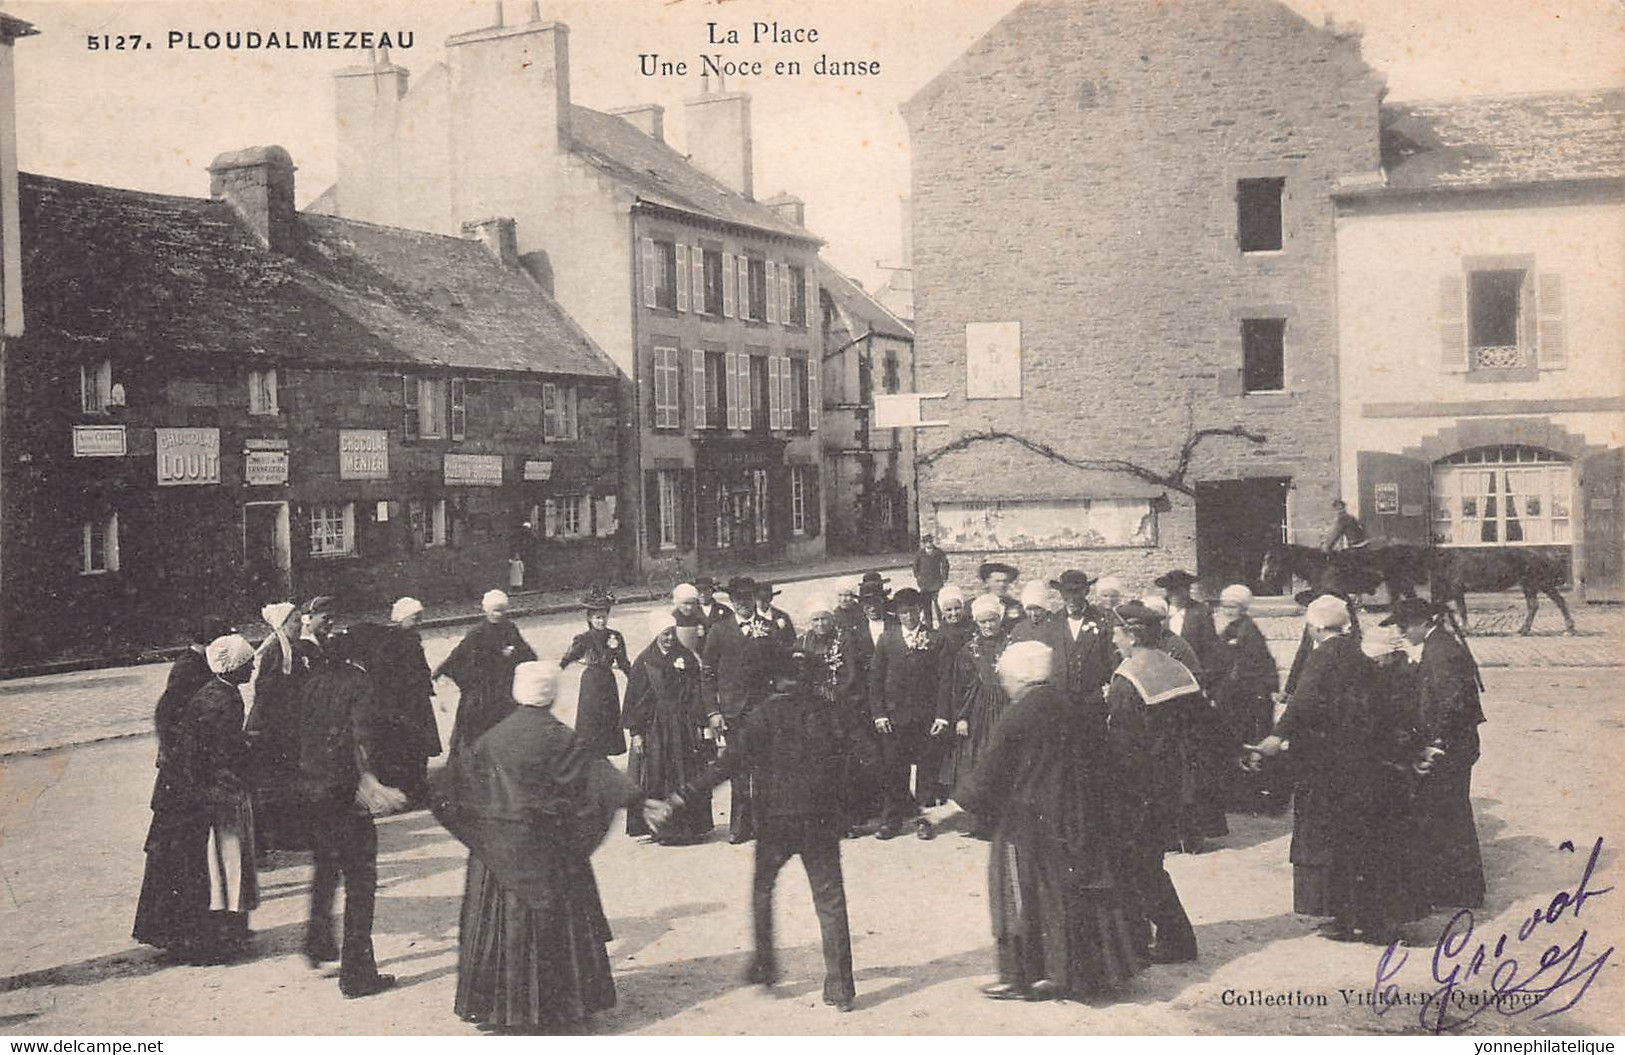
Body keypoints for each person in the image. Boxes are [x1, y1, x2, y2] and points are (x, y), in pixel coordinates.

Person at [435, 663, 670, 1033]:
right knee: (559, 929)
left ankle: (503, 1008)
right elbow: (600, 775)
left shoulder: (491, 739)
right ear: (553, 695)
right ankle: (562, 1005)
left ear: (517, 692)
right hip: (551, 855)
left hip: (498, 858)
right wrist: (641, 801)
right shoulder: (561, 737)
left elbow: (448, 788)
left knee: (505, 931)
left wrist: (483, 833)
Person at [927, 641, 1144, 1000]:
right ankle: (1074, 975)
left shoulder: (1019, 712)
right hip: (1073, 815)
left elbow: (989, 773)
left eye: (1005, 677)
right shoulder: (1067, 702)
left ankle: (1020, 977)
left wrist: (947, 811)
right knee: (1067, 894)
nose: (1003, 684)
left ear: (1020, 676)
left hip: (1027, 819)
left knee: (1013, 893)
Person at [669, 650, 857, 1012]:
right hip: (819, 820)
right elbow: (853, 759)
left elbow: (727, 764)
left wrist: (684, 795)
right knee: (830, 900)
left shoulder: (761, 717)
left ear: (773, 680)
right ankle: (842, 988)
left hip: (776, 822)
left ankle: (767, 968)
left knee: (762, 890)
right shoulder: (826, 712)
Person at [1245, 596, 1421, 943]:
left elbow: (1304, 702)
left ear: (1313, 627)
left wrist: (1277, 737)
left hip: (1329, 769)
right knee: (1362, 845)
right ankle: (1366, 921)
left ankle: (1350, 920)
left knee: (1334, 846)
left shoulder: (1322, 655)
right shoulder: (1357, 652)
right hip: (1364, 765)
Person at [300, 629, 408, 997]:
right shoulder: (359, 682)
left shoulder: (314, 681)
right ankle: (357, 974)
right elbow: (362, 737)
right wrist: (371, 782)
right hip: (349, 795)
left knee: (327, 870)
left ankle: (317, 945)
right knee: (361, 884)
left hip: (315, 793)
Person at [133, 615, 235, 960]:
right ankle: (176, 933)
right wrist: (184, 757)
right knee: (176, 859)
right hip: (182, 780)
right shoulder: (189, 669)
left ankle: (181, 930)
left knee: (182, 859)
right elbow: (166, 718)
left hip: (184, 779)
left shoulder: (198, 665)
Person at [1103, 605, 1200, 963]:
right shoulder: (1176, 668)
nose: (1113, 637)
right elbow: (1202, 725)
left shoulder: (1128, 679)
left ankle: (1169, 939)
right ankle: (1150, 935)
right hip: (1171, 783)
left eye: (1117, 631)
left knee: (1136, 864)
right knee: (1148, 861)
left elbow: (1122, 746)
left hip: (1136, 789)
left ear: (1131, 635)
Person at [1380, 597, 1487, 910]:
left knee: (1449, 815)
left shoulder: (1440, 651)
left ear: (1422, 623)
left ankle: (1462, 890)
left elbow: (1449, 703)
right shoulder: (1438, 644)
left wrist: (1436, 743)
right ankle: (1455, 888)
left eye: (1404, 625)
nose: (1401, 631)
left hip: (1450, 746)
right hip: (1455, 744)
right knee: (1448, 815)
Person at [701, 576, 780, 844]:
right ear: (731, 602)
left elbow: (780, 668)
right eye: (737, 599)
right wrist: (713, 711)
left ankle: (763, 824)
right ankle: (739, 826)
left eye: (747, 599)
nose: (743, 604)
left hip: (762, 710)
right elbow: (708, 673)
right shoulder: (719, 630)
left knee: (763, 769)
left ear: (754, 600)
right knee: (737, 769)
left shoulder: (768, 629)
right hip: (733, 711)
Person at [623, 610, 711, 844]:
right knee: (658, 775)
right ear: (656, 635)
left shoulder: (686, 657)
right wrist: (636, 732)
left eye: (671, 634)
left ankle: (689, 828)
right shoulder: (644, 661)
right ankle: (662, 829)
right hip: (656, 728)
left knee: (686, 772)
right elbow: (635, 699)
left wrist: (701, 723)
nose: (669, 639)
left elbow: (695, 692)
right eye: (664, 635)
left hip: (683, 726)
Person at [869, 589, 946, 840]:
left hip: (924, 717)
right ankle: (892, 820)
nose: (909, 617)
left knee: (925, 769)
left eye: (913, 611)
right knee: (894, 768)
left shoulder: (935, 639)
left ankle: (923, 819)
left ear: (920, 612)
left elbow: (944, 680)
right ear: (897, 614)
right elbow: (876, 680)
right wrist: (879, 713)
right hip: (894, 717)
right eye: (903, 612)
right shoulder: (888, 639)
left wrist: (941, 715)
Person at [937, 594, 1013, 837]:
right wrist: (961, 717)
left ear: (999, 620)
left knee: (1005, 760)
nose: (988, 626)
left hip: (1006, 708)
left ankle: (1005, 818)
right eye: (983, 622)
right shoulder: (968, 651)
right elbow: (960, 688)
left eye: (992, 621)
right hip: (979, 711)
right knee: (979, 761)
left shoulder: (1012, 645)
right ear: (977, 623)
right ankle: (982, 818)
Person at [246, 600, 317, 854]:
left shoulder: (290, 648)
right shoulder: (278, 651)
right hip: (273, 727)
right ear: (283, 624)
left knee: (288, 780)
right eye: (296, 621)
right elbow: (267, 692)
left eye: (300, 620)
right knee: (281, 781)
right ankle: (283, 836)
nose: (301, 625)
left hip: (286, 724)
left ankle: (289, 833)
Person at [434, 590, 537, 758]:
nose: (497, 614)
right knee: (476, 726)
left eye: (501, 610)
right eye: (494, 610)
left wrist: (518, 656)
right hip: (482, 688)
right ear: (485, 610)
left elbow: (526, 652)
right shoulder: (477, 632)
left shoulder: (510, 628)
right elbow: (459, 653)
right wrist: (441, 670)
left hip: (504, 686)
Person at [360, 598, 441, 808]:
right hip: (404, 705)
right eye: (415, 618)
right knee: (408, 748)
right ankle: (410, 792)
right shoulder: (394, 641)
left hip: (413, 702)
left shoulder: (409, 637)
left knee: (415, 748)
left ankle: (415, 791)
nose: (419, 622)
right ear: (403, 618)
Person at [1211, 585, 1282, 814]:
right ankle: (1238, 796)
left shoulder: (1248, 631)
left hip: (1247, 698)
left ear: (1243, 608)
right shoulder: (1232, 628)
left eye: (1233, 607)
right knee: (1235, 743)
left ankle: (1255, 798)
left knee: (1248, 744)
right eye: (1226, 606)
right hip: (1233, 697)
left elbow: (1257, 665)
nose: (1229, 610)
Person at [559, 587, 632, 758]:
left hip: (607, 681)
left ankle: (604, 755)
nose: (601, 621)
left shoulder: (615, 636)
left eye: (604, 617)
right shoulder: (583, 639)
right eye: (597, 618)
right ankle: (590, 756)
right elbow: (568, 658)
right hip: (591, 683)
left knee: (607, 720)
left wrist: (634, 678)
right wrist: (556, 671)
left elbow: (623, 662)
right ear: (590, 619)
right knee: (591, 721)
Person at [1155, 570, 1221, 683]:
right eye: (1171, 590)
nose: (1175, 594)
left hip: (1191, 673)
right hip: (1162, 673)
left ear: (1187, 590)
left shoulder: (1200, 612)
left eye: (1180, 590)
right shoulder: (1159, 610)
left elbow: (1209, 648)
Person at [913, 534, 951, 628]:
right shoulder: (920, 553)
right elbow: (915, 566)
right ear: (924, 543)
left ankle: (942, 625)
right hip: (925, 584)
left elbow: (945, 564)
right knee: (926, 607)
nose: (929, 544)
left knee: (939, 606)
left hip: (936, 583)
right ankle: (929, 627)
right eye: (927, 542)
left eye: (930, 541)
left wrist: (944, 577)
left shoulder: (938, 552)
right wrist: (918, 577)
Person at [978, 560, 1025, 629]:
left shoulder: (1015, 605)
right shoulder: (976, 604)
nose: (1002, 585)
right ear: (986, 582)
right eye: (997, 581)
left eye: (1005, 581)